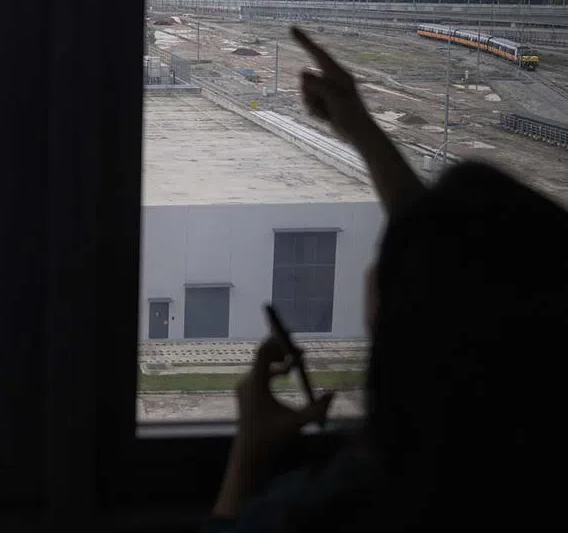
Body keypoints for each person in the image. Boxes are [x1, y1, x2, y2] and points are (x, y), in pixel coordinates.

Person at [205, 27, 568, 532]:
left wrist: (247, 451)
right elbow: (451, 256)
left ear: (396, 327)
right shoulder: (528, 473)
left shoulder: (328, 509)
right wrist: (361, 129)